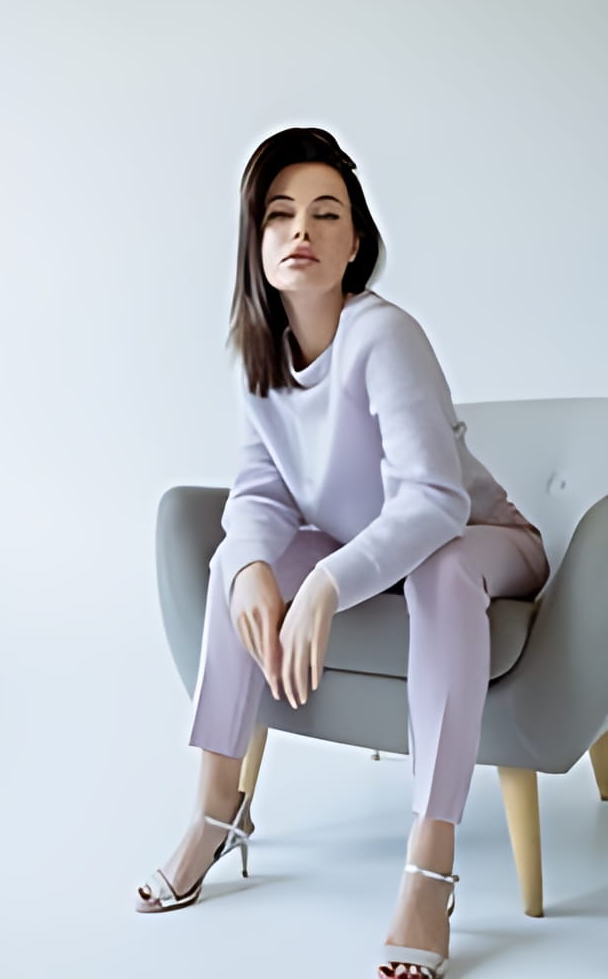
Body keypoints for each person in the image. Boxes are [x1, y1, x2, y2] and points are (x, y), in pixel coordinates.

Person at [136, 127, 550, 979]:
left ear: (355, 242)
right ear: (256, 241)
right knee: (233, 563)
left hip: (485, 544)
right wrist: (255, 566)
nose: (303, 229)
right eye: (281, 214)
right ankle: (216, 812)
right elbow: (260, 493)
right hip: (375, 551)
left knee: (440, 566)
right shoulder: (260, 354)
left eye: (327, 214)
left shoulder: (383, 336)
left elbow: (435, 502)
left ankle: (430, 865)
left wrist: (325, 583)